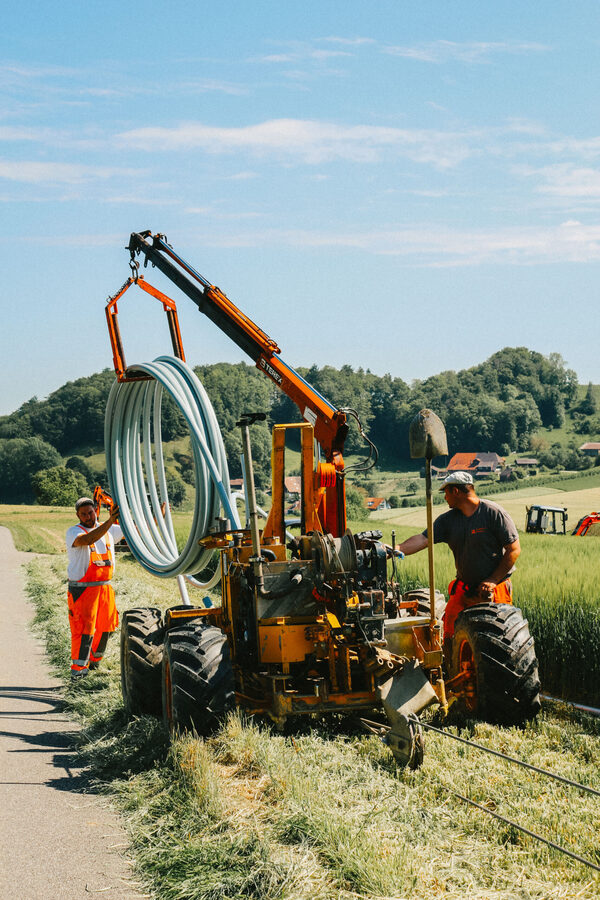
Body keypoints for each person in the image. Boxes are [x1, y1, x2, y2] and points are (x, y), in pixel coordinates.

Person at [397, 472, 520, 643]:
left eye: (446, 493)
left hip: (494, 588)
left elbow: (513, 550)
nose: (445, 498)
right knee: (450, 634)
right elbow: (423, 539)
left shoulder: (493, 513)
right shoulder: (448, 520)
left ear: (456, 491)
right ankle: (453, 668)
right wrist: (395, 549)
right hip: (464, 588)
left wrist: (492, 580)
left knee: (496, 639)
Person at [66, 497, 122, 680]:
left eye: (90, 512)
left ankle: (94, 664)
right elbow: (89, 538)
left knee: (105, 628)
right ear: (78, 515)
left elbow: (134, 530)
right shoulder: (74, 532)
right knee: (84, 631)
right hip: (83, 591)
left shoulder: (109, 530)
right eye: (84, 514)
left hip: (105, 589)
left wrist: (157, 517)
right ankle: (79, 672)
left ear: (95, 511)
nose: (88, 517)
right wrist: (109, 522)